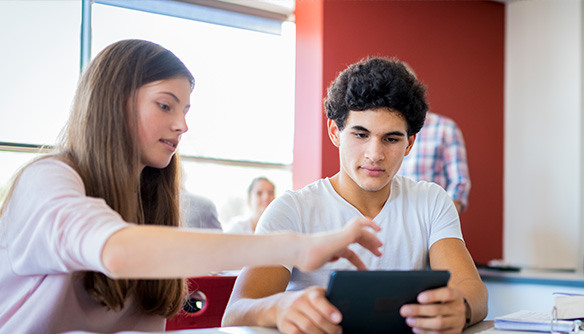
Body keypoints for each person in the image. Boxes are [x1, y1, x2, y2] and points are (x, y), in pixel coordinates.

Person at [0, 39, 384, 334]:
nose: (182, 125)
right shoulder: (48, 179)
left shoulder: (151, 198)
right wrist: (299, 246)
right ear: (112, 103)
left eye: (185, 110)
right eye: (166, 106)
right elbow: (115, 251)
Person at [222, 57, 488, 334]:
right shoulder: (291, 210)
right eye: (361, 135)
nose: (375, 154)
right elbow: (235, 313)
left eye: (391, 139)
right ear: (335, 132)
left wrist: (462, 308)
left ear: (409, 144)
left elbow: (473, 290)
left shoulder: (431, 201)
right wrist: (278, 307)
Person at [398, 111, 471, 213]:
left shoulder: (445, 128)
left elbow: (459, 183)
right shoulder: (383, 126)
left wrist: (441, 218)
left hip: (431, 217)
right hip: (392, 217)